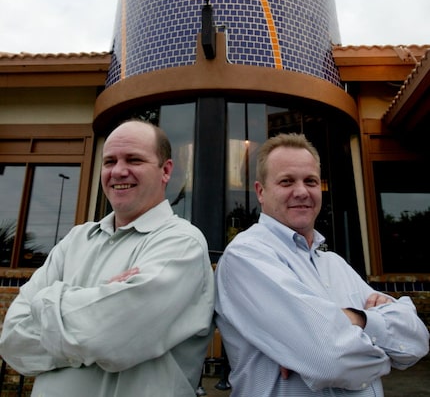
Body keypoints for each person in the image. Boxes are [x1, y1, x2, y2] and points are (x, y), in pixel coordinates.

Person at [0, 119, 215, 396]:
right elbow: (12, 340)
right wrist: (95, 309)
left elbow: (109, 337)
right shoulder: (76, 240)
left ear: (166, 171)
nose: (119, 171)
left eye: (134, 160)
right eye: (109, 161)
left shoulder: (182, 243)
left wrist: (45, 301)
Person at [215, 133, 429, 397]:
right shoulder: (247, 256)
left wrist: (358, 319)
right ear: (261, 191)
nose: (302, 191)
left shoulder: (334, 264)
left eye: (311, 181)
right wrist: (389, 352)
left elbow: (417, 340)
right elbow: (330, 360)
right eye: (286, 181)